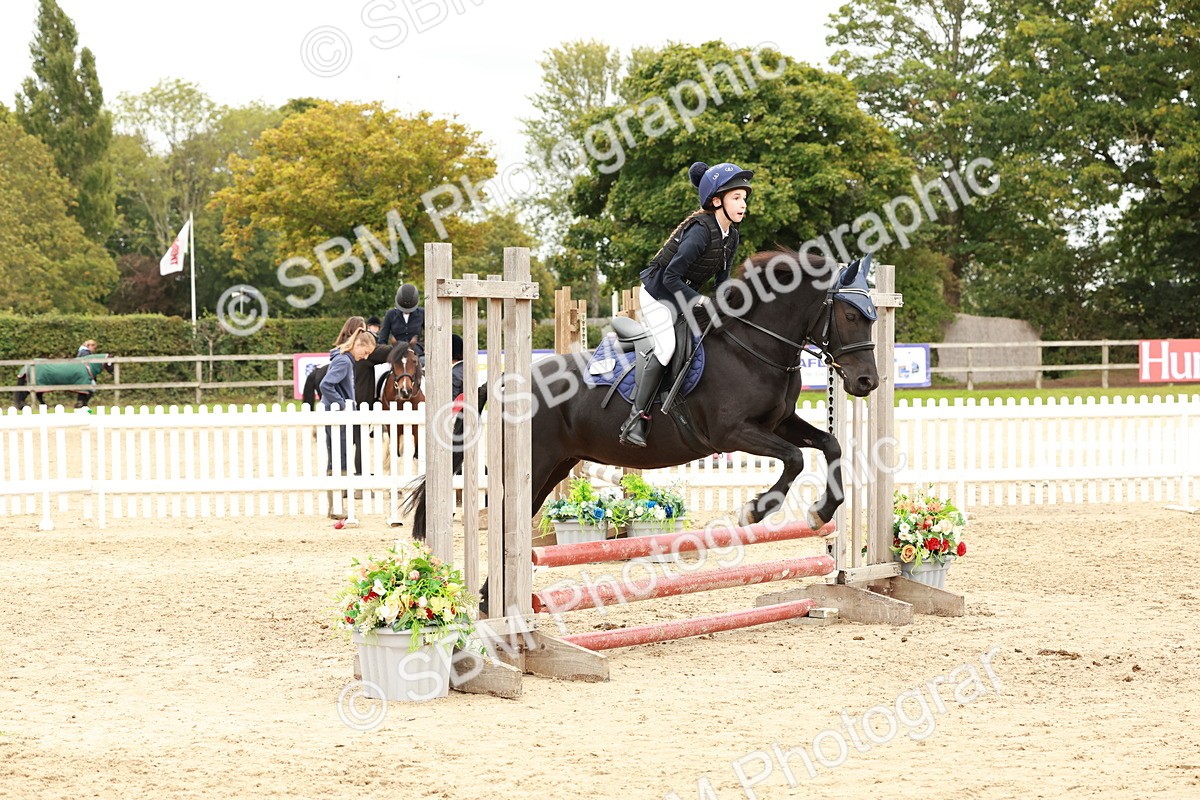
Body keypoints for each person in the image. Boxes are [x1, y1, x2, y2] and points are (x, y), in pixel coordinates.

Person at [618, 160, 752, 448]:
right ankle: (635, 419)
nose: (743, 204)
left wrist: (730, 306)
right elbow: (670, 276)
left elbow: (722, 279)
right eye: (736, 198)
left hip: (682, 294)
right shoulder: (700, 231)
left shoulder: (731, 236)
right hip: (658, 294)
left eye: (744, 198)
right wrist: (702, 301)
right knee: (667, 349)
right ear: (717, 201)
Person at [319, 328, 377, 478]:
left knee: (337, 453)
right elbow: (325, 385)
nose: (365, 357)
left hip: (335, 413)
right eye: (365, 352)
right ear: (357, 345)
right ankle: (339, 486)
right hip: (338, 414)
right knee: (341, 453)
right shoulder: (344, 361)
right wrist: (342, 404)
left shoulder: (344, 359)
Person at [380, 284, 425, 355]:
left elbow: (430, 333)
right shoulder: (390, 314)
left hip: (417, 353)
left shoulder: (422, 313)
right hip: (396, 352)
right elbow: (382, 339)